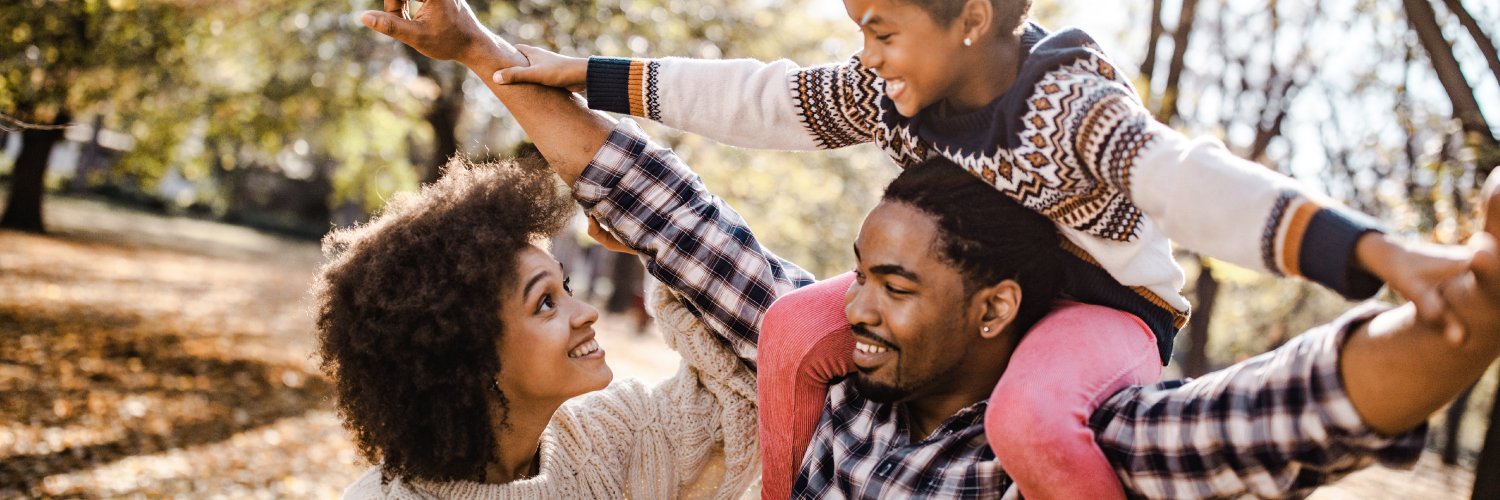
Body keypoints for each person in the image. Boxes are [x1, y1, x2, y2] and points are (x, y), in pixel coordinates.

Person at [359, 3, 1500, 499]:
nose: (856, 304)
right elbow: (664, 190)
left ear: (994, 307)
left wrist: (1433, 287)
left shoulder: (1059, 440)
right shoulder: (839, 365)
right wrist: (485, 49)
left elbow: (1283, 408)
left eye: (894, 286)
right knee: (782, 314)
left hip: (1110, 318)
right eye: (862, 270)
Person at [314, 156, 784, 498]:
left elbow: (743, 375)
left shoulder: (610, 437)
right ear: (471, 355)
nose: (586, 313)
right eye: (545, 303)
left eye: (566, 287)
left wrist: (658, 256)